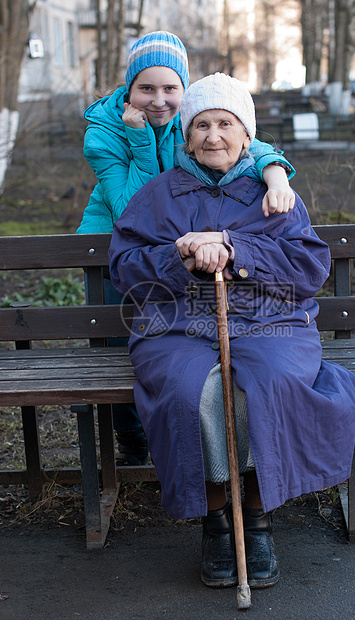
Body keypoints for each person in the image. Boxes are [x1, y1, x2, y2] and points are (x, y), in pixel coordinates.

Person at [108, 72, 355, 589]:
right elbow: (126, 268)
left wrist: (234, 246)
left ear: (247, 135)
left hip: (271, 321)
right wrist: (178, 254)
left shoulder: (274, 193)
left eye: (226, 123)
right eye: (201, 124)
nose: (213, 136)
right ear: (186, 135)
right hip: (176, 325)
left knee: (267, 386)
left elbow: (310, 270)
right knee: (189, 391)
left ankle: (258, 516)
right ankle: (217, 518)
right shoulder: (160, 195)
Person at [77, 31, 297, 467]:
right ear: (129, 89)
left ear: (185, 91)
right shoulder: (103, 136)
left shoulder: (195, 122)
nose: (158, 100)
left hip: (182, 242)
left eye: (170, 89)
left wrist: (276, 173)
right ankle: (133, 438)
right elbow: (133, 210)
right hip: (119, 242)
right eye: (146, 88)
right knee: (122, 346)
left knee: (176, 341)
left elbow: (243, 139)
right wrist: (138, 140)